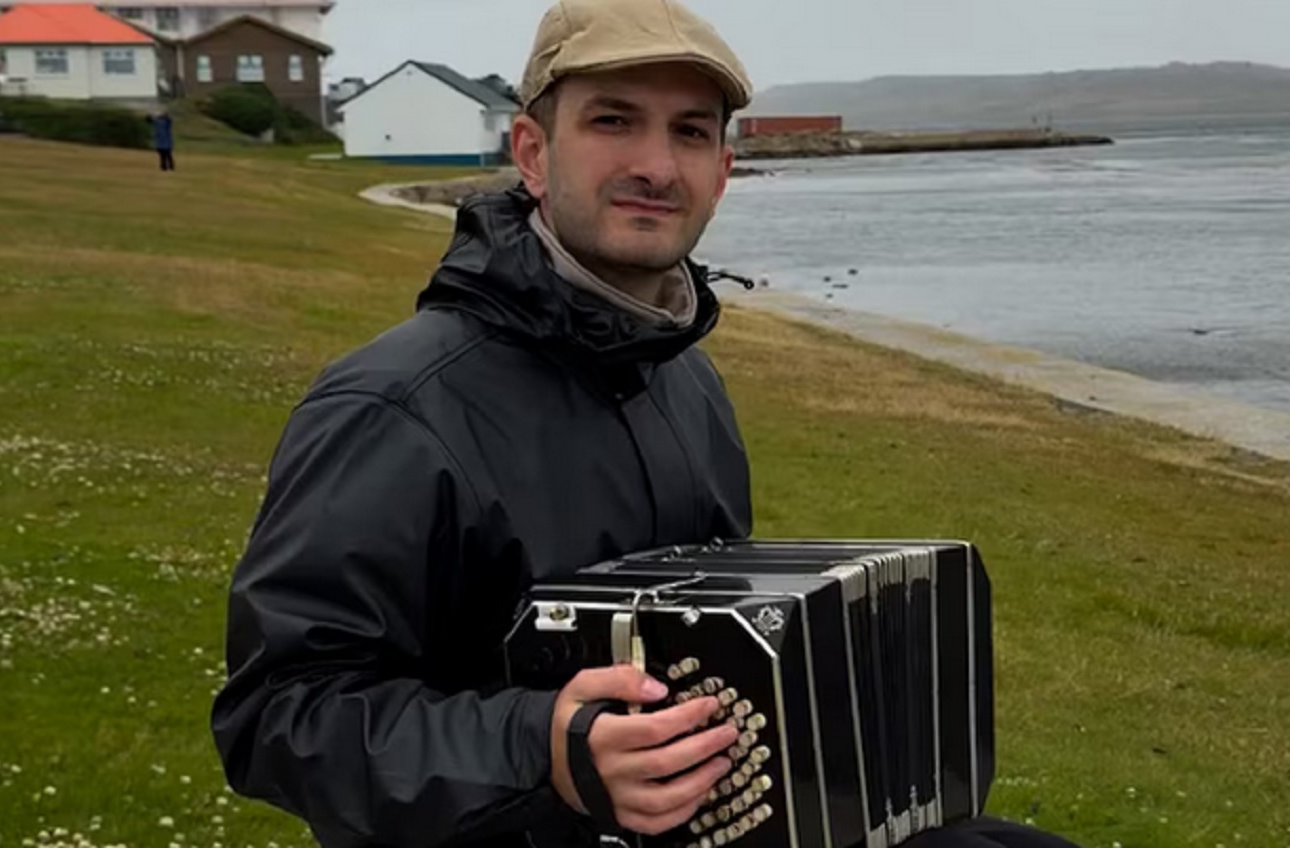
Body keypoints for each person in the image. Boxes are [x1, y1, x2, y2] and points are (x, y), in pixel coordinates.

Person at [210, 2, 1083, 848]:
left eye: (690, 132)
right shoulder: (393, 406)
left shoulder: (686, 381)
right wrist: (543, 749)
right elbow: (277, 716)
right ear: (532, 152)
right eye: (613, 121)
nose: (657, 166)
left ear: (722, 172)